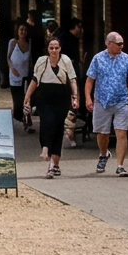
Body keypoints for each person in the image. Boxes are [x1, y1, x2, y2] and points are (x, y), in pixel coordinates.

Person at [88, 32, 128, 175]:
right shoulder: (98, 59)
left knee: (121, 132)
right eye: (118, 44)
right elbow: (90, 80)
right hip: (102, 100)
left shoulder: (126, 59)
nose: (122, 46)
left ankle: (120, 165)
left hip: (121, 100)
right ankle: (104, 154)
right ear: (109, 43)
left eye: (122, 44)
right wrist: (88, 98)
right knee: (102, 134)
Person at [27, 38, 76, 177]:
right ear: (47, 49)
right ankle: (46, 148)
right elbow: (35, 80)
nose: (54, 50)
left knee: (58, 127)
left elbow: (72, 79)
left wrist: (75, 96)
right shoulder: (41, 61)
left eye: (56, 48)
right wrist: (27, 96)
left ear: (60, 48)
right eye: (51, 48)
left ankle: (54, 164)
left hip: (61, 96)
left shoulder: (65, 61)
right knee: (47, 122)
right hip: (45, 96)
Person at [4, 26, 32, 131]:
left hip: (26, 75)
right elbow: (8, 57)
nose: (23, 32)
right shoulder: (13, 42)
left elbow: (30, 60)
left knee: (27, 101)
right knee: (18, 100)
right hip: (15, 75)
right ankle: (17, 119)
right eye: (21, 30)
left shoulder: (29, 43)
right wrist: (12, 68)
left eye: (25, 30)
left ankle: (27, 123)